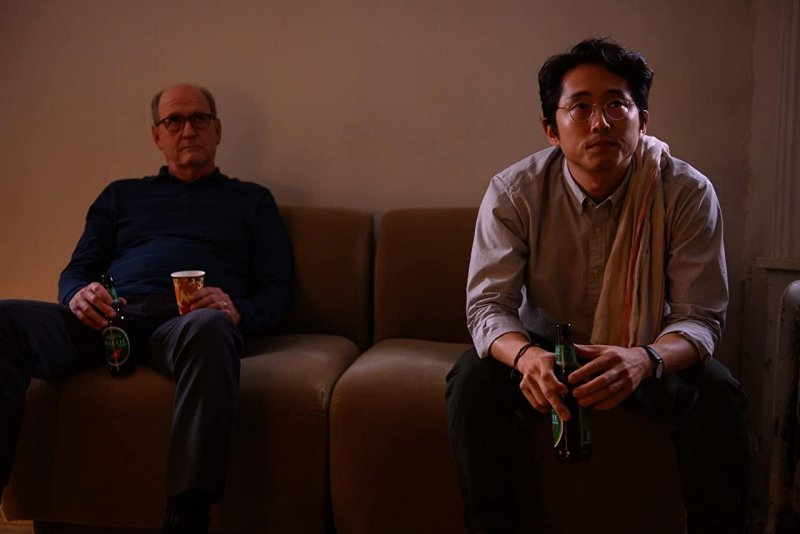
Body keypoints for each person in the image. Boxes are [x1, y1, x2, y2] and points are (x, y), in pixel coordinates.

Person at [445, 38, 749, 533]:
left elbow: (700, 318)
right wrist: (527, 358)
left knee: (719, 393)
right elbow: (488, 306)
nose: (600, 123)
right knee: (471, 381)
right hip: (546, 352)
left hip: (642, 350)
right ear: (551, 130)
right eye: (581, 107)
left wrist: (644, 360)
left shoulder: (685, 192)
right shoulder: (514, 193)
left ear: (642, 121)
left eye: (616, 105)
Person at [0, 84, 293, 533]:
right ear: (157, 135)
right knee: (4, 320)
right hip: (109, 317)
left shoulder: (253, 201)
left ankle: (187, 515)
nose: (187, 130)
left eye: (199, 119)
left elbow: (279, 291)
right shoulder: (120, 196)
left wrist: (237, 310)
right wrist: (77, 294)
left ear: (217, 130)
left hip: (185, 324)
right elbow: (77, 270)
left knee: (211, 328)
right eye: (174, 121)